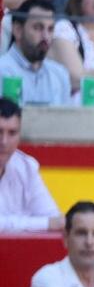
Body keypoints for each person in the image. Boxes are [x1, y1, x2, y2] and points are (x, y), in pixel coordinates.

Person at [0, 98, 63, 233]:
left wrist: (45, 223)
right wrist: (44, 224)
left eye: (12, 133)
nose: (4, 141)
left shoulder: (26, 167)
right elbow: (50, 222)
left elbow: (55, 220)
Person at [0, 0, 73, 107]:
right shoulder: (2, 70)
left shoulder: (59, 74)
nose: (46, 37)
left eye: (50, 29)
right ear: (18, 30)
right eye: (38, 28)